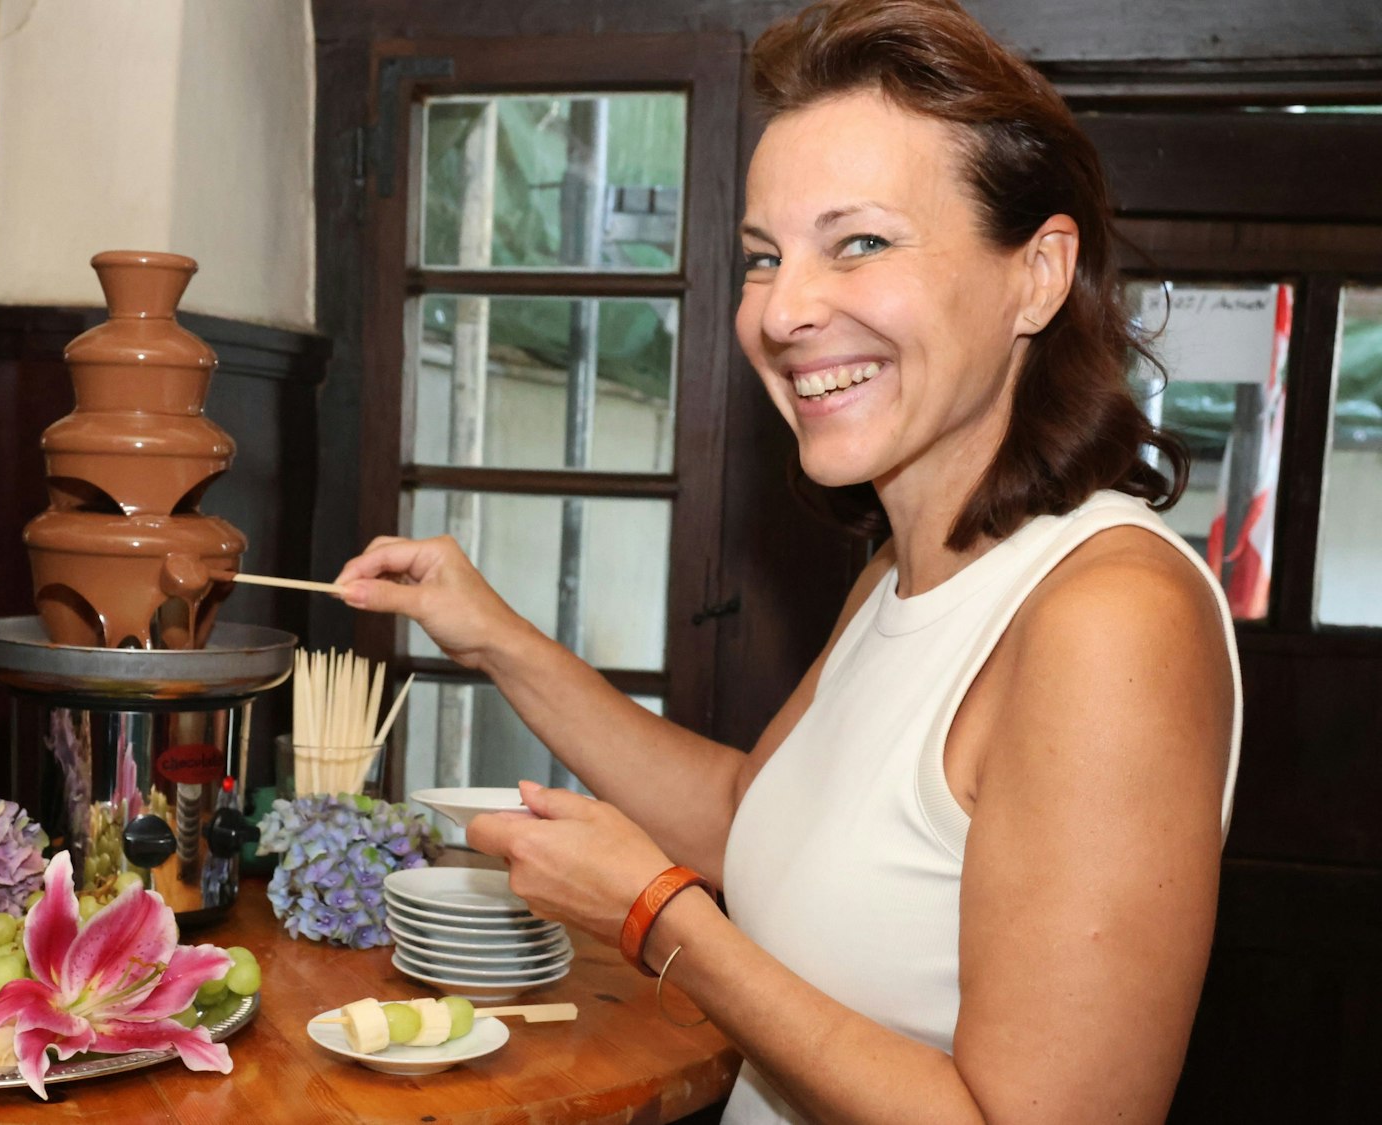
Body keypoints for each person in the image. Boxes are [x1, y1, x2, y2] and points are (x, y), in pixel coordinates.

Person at [331, 1, 1241, 1121]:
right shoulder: (907, 571)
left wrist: (658, 919)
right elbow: (751, 819)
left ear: (1037, 275)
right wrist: (492, 636)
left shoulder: (1109, 615)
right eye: (763, 258)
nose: (784, 311)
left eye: (858, 242)